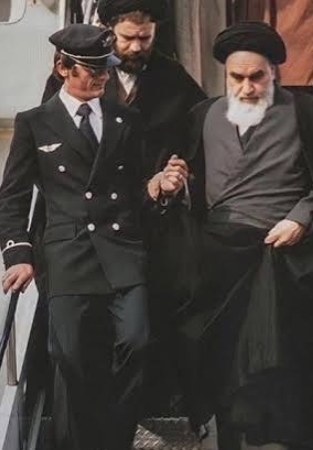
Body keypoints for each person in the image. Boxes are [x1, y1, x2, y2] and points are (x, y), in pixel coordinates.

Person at [171, 21, 313, 450]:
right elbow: (190, 185)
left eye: (256, 77)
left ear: (274, 72)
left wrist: (301, 218)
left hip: (281, 258)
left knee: (282, 363)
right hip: (218, 260)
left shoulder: (307, 114)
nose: (246, 88)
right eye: (236, 78)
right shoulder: (203, 116)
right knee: (220, 358)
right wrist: (174, 185)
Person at [0, 23, 185, 450]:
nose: (102, 76)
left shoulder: (126, 119)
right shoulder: (35, 123)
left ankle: (115, 437)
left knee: (136, 342)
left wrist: (158, 187)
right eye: (92, 69)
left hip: (122, 252)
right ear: (62, 68)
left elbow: (135, 189)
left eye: (105, 68)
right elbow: (12, 197)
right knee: (68, 355)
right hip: (67, 255)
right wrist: (19, 254)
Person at [43, 0, 206, 178]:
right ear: (108, 32)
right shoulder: (76, 72)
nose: (136, 48)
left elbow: (200, 128)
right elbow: (48, 136)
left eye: (145, 38)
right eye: (127, 38)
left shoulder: (173, 77)